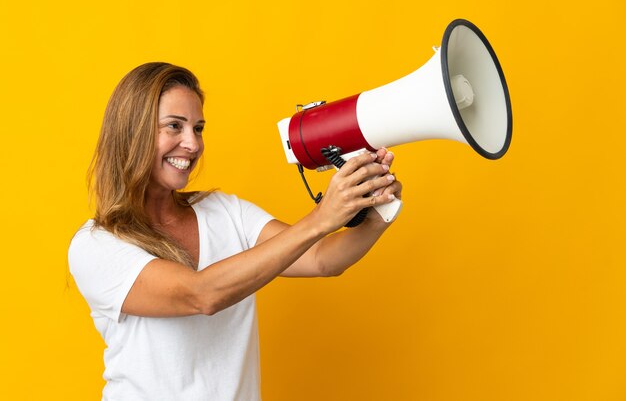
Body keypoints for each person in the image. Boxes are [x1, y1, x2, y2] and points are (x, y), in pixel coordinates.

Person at [68, 62, 402, 401]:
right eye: (174, 126)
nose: (193, 144)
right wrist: (320, 218)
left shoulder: (224, 211)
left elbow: (320, 260)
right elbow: (201, 295)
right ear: (132, 132)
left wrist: (375, 216)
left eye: (198, 129)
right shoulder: (96, 245)